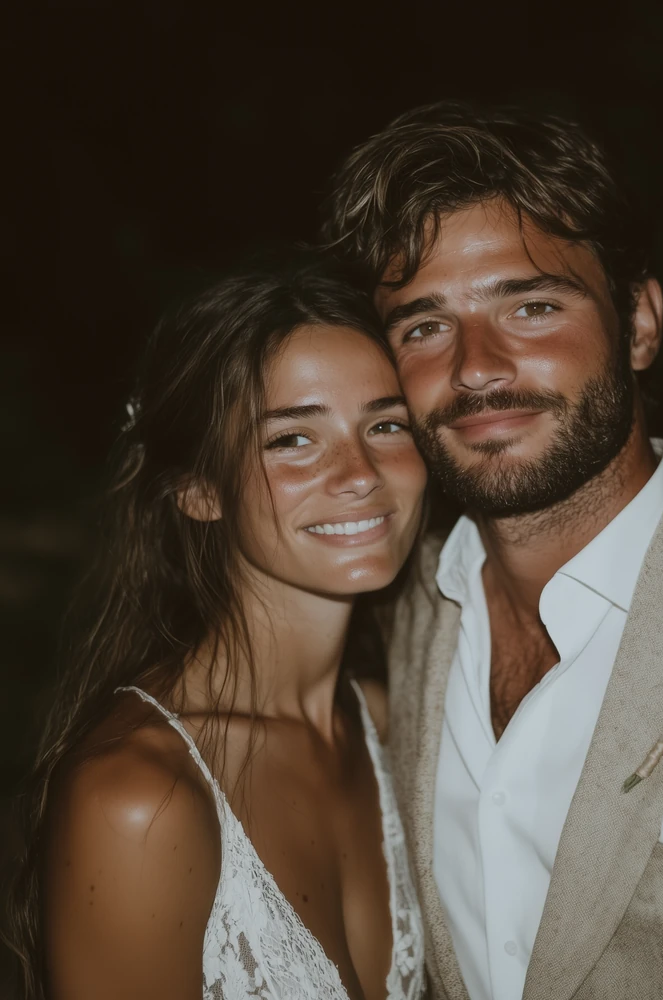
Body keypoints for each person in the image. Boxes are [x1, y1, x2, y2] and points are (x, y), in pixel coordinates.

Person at [323, 102, 663, 1000]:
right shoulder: (406, 608)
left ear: (641, 323)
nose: (475, 366)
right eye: (424, 325)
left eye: (532, 305)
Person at [6, 257, 427, 1000]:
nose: (361, 472)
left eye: (386, 423)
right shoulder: (139, 798)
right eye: (293, 439)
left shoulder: (387, 724)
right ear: (201, 492)